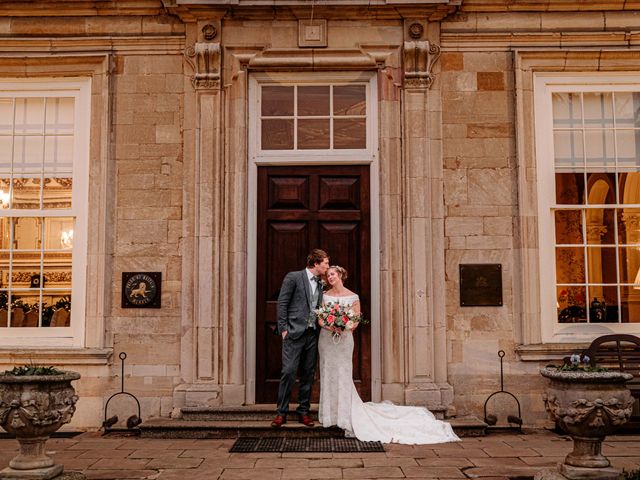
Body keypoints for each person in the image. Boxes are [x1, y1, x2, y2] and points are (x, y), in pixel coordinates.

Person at [318, 265, 460, 444]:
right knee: (328, 373)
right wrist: (332, 325)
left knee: (343, 374)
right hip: (327, 341)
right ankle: (330, 415)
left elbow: (354, 321)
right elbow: (321, 319)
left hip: (344, 341)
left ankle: (345, 416)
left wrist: (343, 325)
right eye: (328, 275)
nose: (330, 277)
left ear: (340, 275)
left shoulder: (353, 297)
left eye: (333, 274)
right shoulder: (325, 296)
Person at [271, 248, 330, 428]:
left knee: (308, 374)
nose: (327, 267)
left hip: (313, 334)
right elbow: (283, 303)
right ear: (315, 263)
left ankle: (303, 411)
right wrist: (283, 329)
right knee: (288, 372)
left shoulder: (322, 283)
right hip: (294, 333)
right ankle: (281, 412)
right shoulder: (294, 277)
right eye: (326, 263)